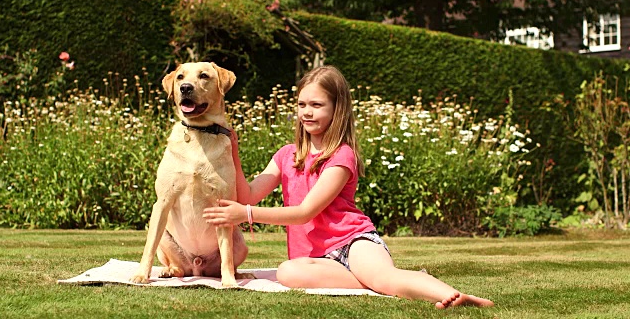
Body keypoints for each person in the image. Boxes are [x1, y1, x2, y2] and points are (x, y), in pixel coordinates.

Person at [202, 65, 494, 309]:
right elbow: (248, 195)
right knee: (287, 272)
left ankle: (459, 297)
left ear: (337, 108)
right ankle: (384, 279)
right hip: (314, 260)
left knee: (384, 280)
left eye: (317, 105)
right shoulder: (286, 155)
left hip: (352, 242)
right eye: (302, 105)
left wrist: (247, 214)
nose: (307, 112)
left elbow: (304, 212)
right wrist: (233, 153)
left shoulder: (342, 156)